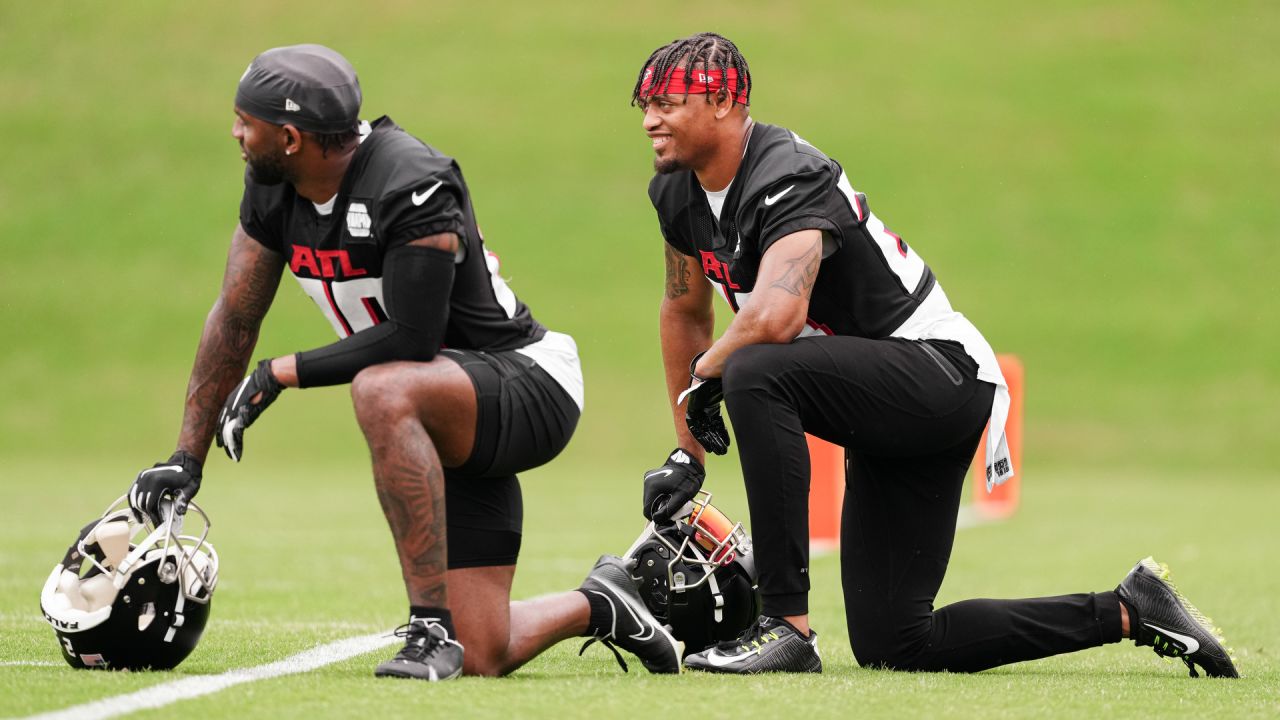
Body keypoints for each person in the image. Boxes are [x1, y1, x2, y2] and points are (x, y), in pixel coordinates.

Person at [632, 32, 1238, 678]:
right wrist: (685, 452)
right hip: (880, 400)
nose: (650, 121)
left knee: (755, 369)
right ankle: (1129, 609)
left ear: (727, 101)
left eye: (667, 103)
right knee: (898, 643)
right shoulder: (676, 194)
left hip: (940, 375)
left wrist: (710, 373)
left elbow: (779, 316)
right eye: (644, 105)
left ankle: (786, 626)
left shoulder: (787, 171)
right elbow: (684, 311)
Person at [126, 44, 681, 681]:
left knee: (381, 390)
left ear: (288, 137)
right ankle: (603, 603)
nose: (234, 133)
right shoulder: (274, 185)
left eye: (243, 121)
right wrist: (185, 457)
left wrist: (282, 372)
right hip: (445, 404)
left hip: (527, 382)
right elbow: (236, 315)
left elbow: (413, 338)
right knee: (483, 654)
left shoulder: (410, 178)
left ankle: (426, 630)